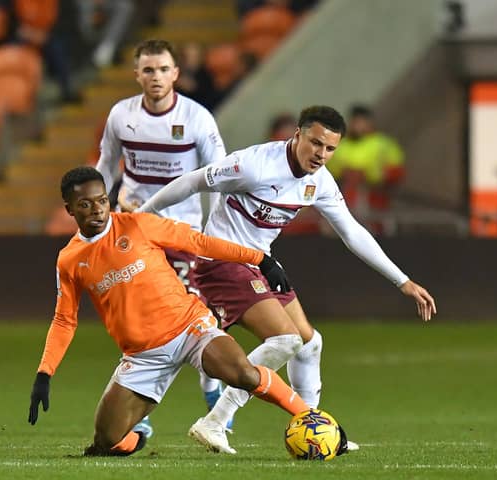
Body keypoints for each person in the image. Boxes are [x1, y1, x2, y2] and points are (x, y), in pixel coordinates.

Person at [138, 105, 436, 454]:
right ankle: (214, 422)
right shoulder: (253, 165)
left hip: (258, 265)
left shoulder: (320, 180)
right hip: (222, 261)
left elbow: (351, 231)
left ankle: (315, 428)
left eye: (329, 149)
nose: (321, 154)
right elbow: (193, 182)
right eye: (315, 143)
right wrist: (140, 219)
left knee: (309, 343)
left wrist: (402, 281)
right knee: (285, 339)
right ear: (297, 134)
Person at [27, 166, 335, 457]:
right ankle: (136, 440)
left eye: (101, 200)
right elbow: (64, 319)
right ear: (69, 209)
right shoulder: (69, 260)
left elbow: (198, 242)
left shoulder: (138, 225)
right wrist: (45, 373)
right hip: (142, 355)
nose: (97, 209)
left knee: (241, 372)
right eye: (85, 204)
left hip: (190, 329)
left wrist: (259, 260)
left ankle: (312, 419)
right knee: (107, 440)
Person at [94, 39, 228, 435]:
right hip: (134, 232)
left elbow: (219, 175)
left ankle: (210, 387)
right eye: (148, 70)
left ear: (176, 74)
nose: (156, 77)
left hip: (181, 234)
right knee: (139, 323)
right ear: (136, 74)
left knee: (190, 318)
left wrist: (214, 228)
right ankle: (142, 414)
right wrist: (100, 216)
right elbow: (105, 165)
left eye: (163, 69)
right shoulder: (121, 115)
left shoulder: (198, 118)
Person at [327, 104, 404, 232]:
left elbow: (397, 170)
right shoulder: (340, 145)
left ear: (370, 122)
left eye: (362, 121)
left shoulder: (383, 143)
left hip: (376, 196)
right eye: (355, 121)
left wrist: (375, 176)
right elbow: (330, 171)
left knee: (378, 231)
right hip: (347, 197)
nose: (358, 125)